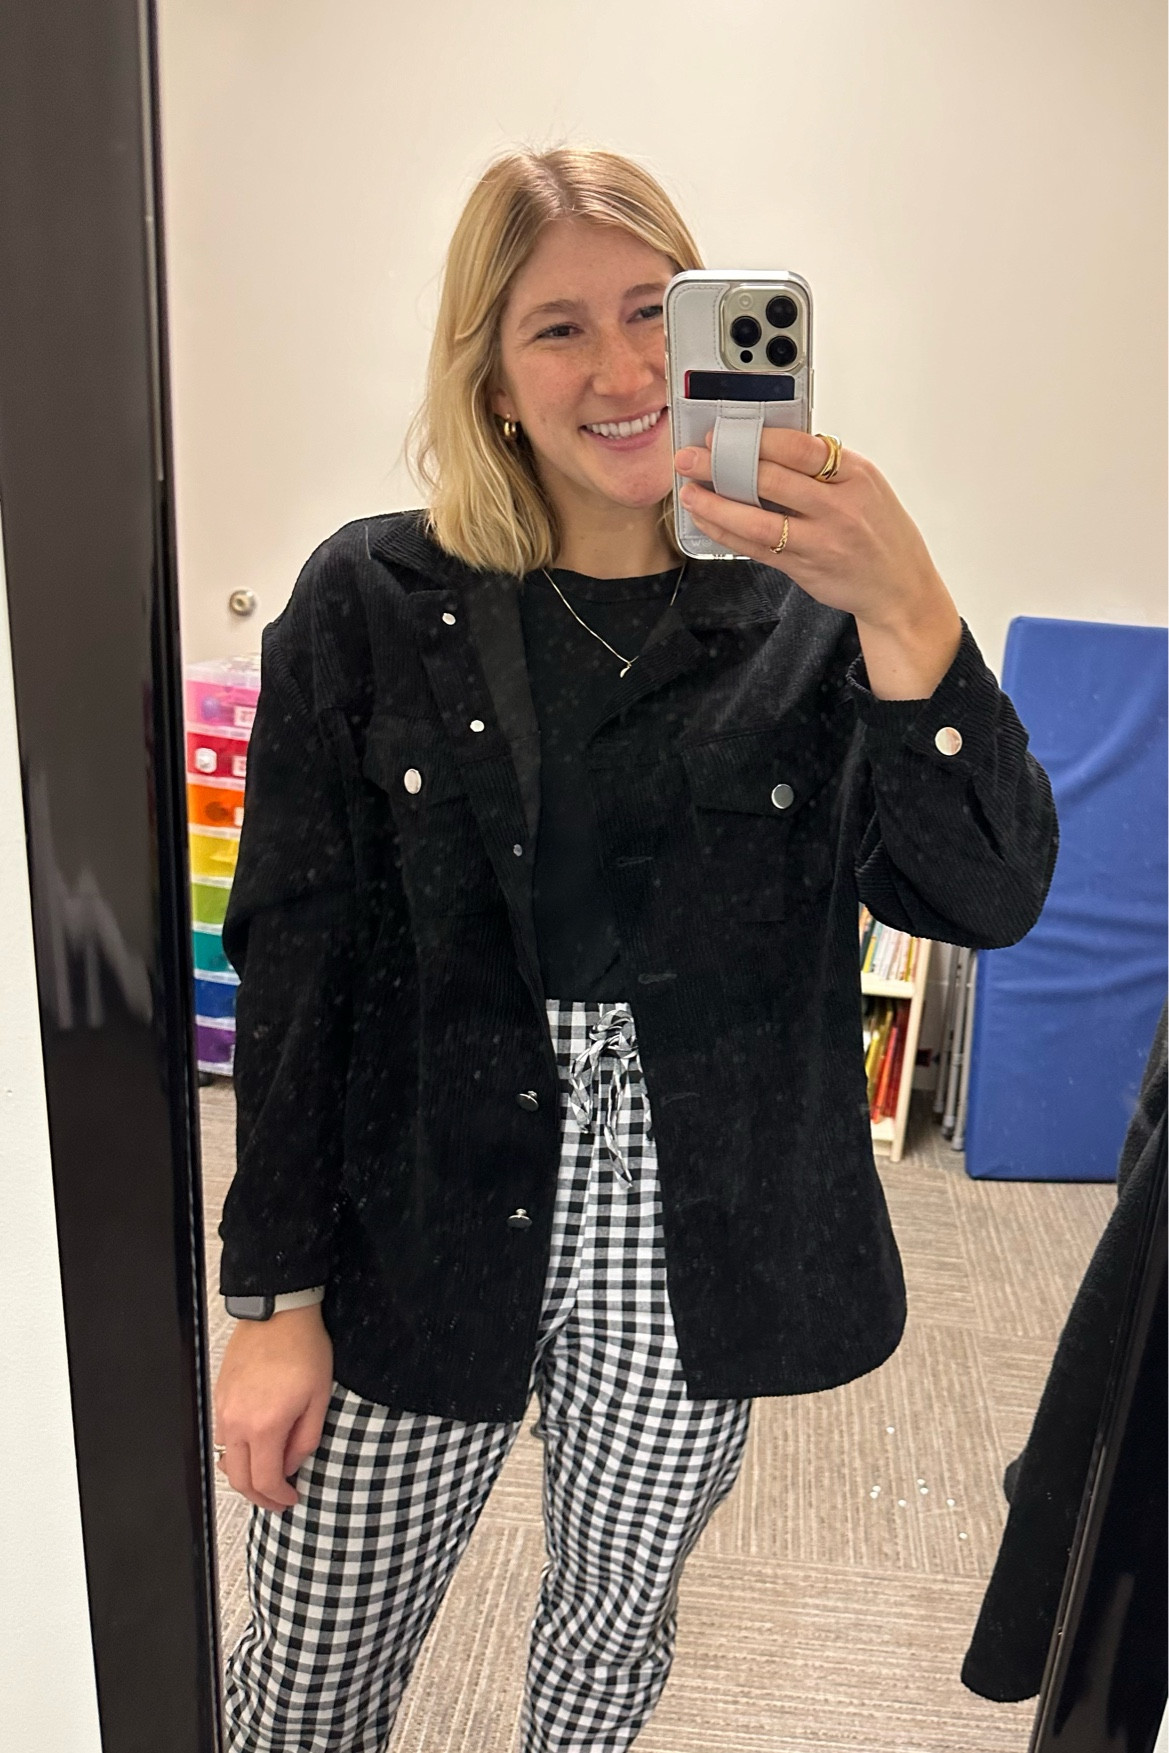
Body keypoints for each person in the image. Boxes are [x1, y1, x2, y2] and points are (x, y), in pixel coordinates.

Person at [213, 146, 1058, 1752]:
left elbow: (988, 897)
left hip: (696, 1217)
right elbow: (296, 964)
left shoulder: (814, 614)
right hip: (420, 1192)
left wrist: (907, 606)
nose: (623, 370)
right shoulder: (368, 596)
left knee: (610, 1639)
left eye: (656, 311)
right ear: (489, 374)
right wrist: (273, 1295)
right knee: (311, 1662)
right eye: (558, 328)